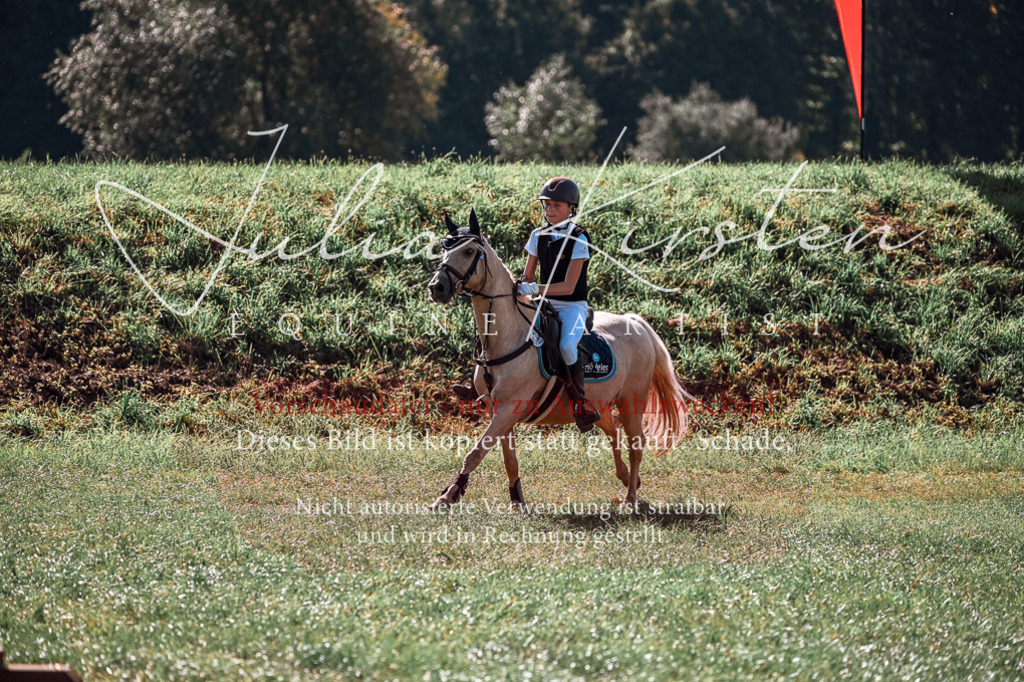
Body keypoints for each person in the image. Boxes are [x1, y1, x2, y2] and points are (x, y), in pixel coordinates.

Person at [516, 176, 601, 432]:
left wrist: (535, 288)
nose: (550, 210)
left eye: (556, 205)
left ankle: (579, 402)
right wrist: (518, 284)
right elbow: (527, 275)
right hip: (544, 304)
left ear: (571, 208)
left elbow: (568, 286)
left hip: (572, 306)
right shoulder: (537, 235)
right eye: (546, 205)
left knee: (565, 345)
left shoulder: (579, 238)